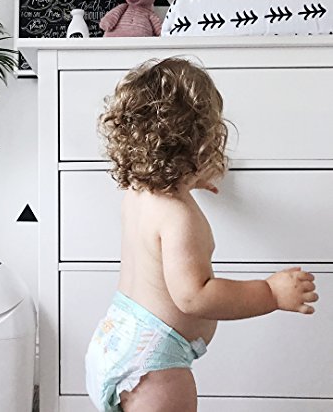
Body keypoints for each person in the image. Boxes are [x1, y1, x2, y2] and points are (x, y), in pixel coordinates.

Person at [84, 57, 319, 412]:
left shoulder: (138, 193)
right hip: (154, 365)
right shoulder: (180, 218)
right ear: (204, 144)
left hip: (116, 338)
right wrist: (269, 293)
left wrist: (188, 181)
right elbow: (195, 297)